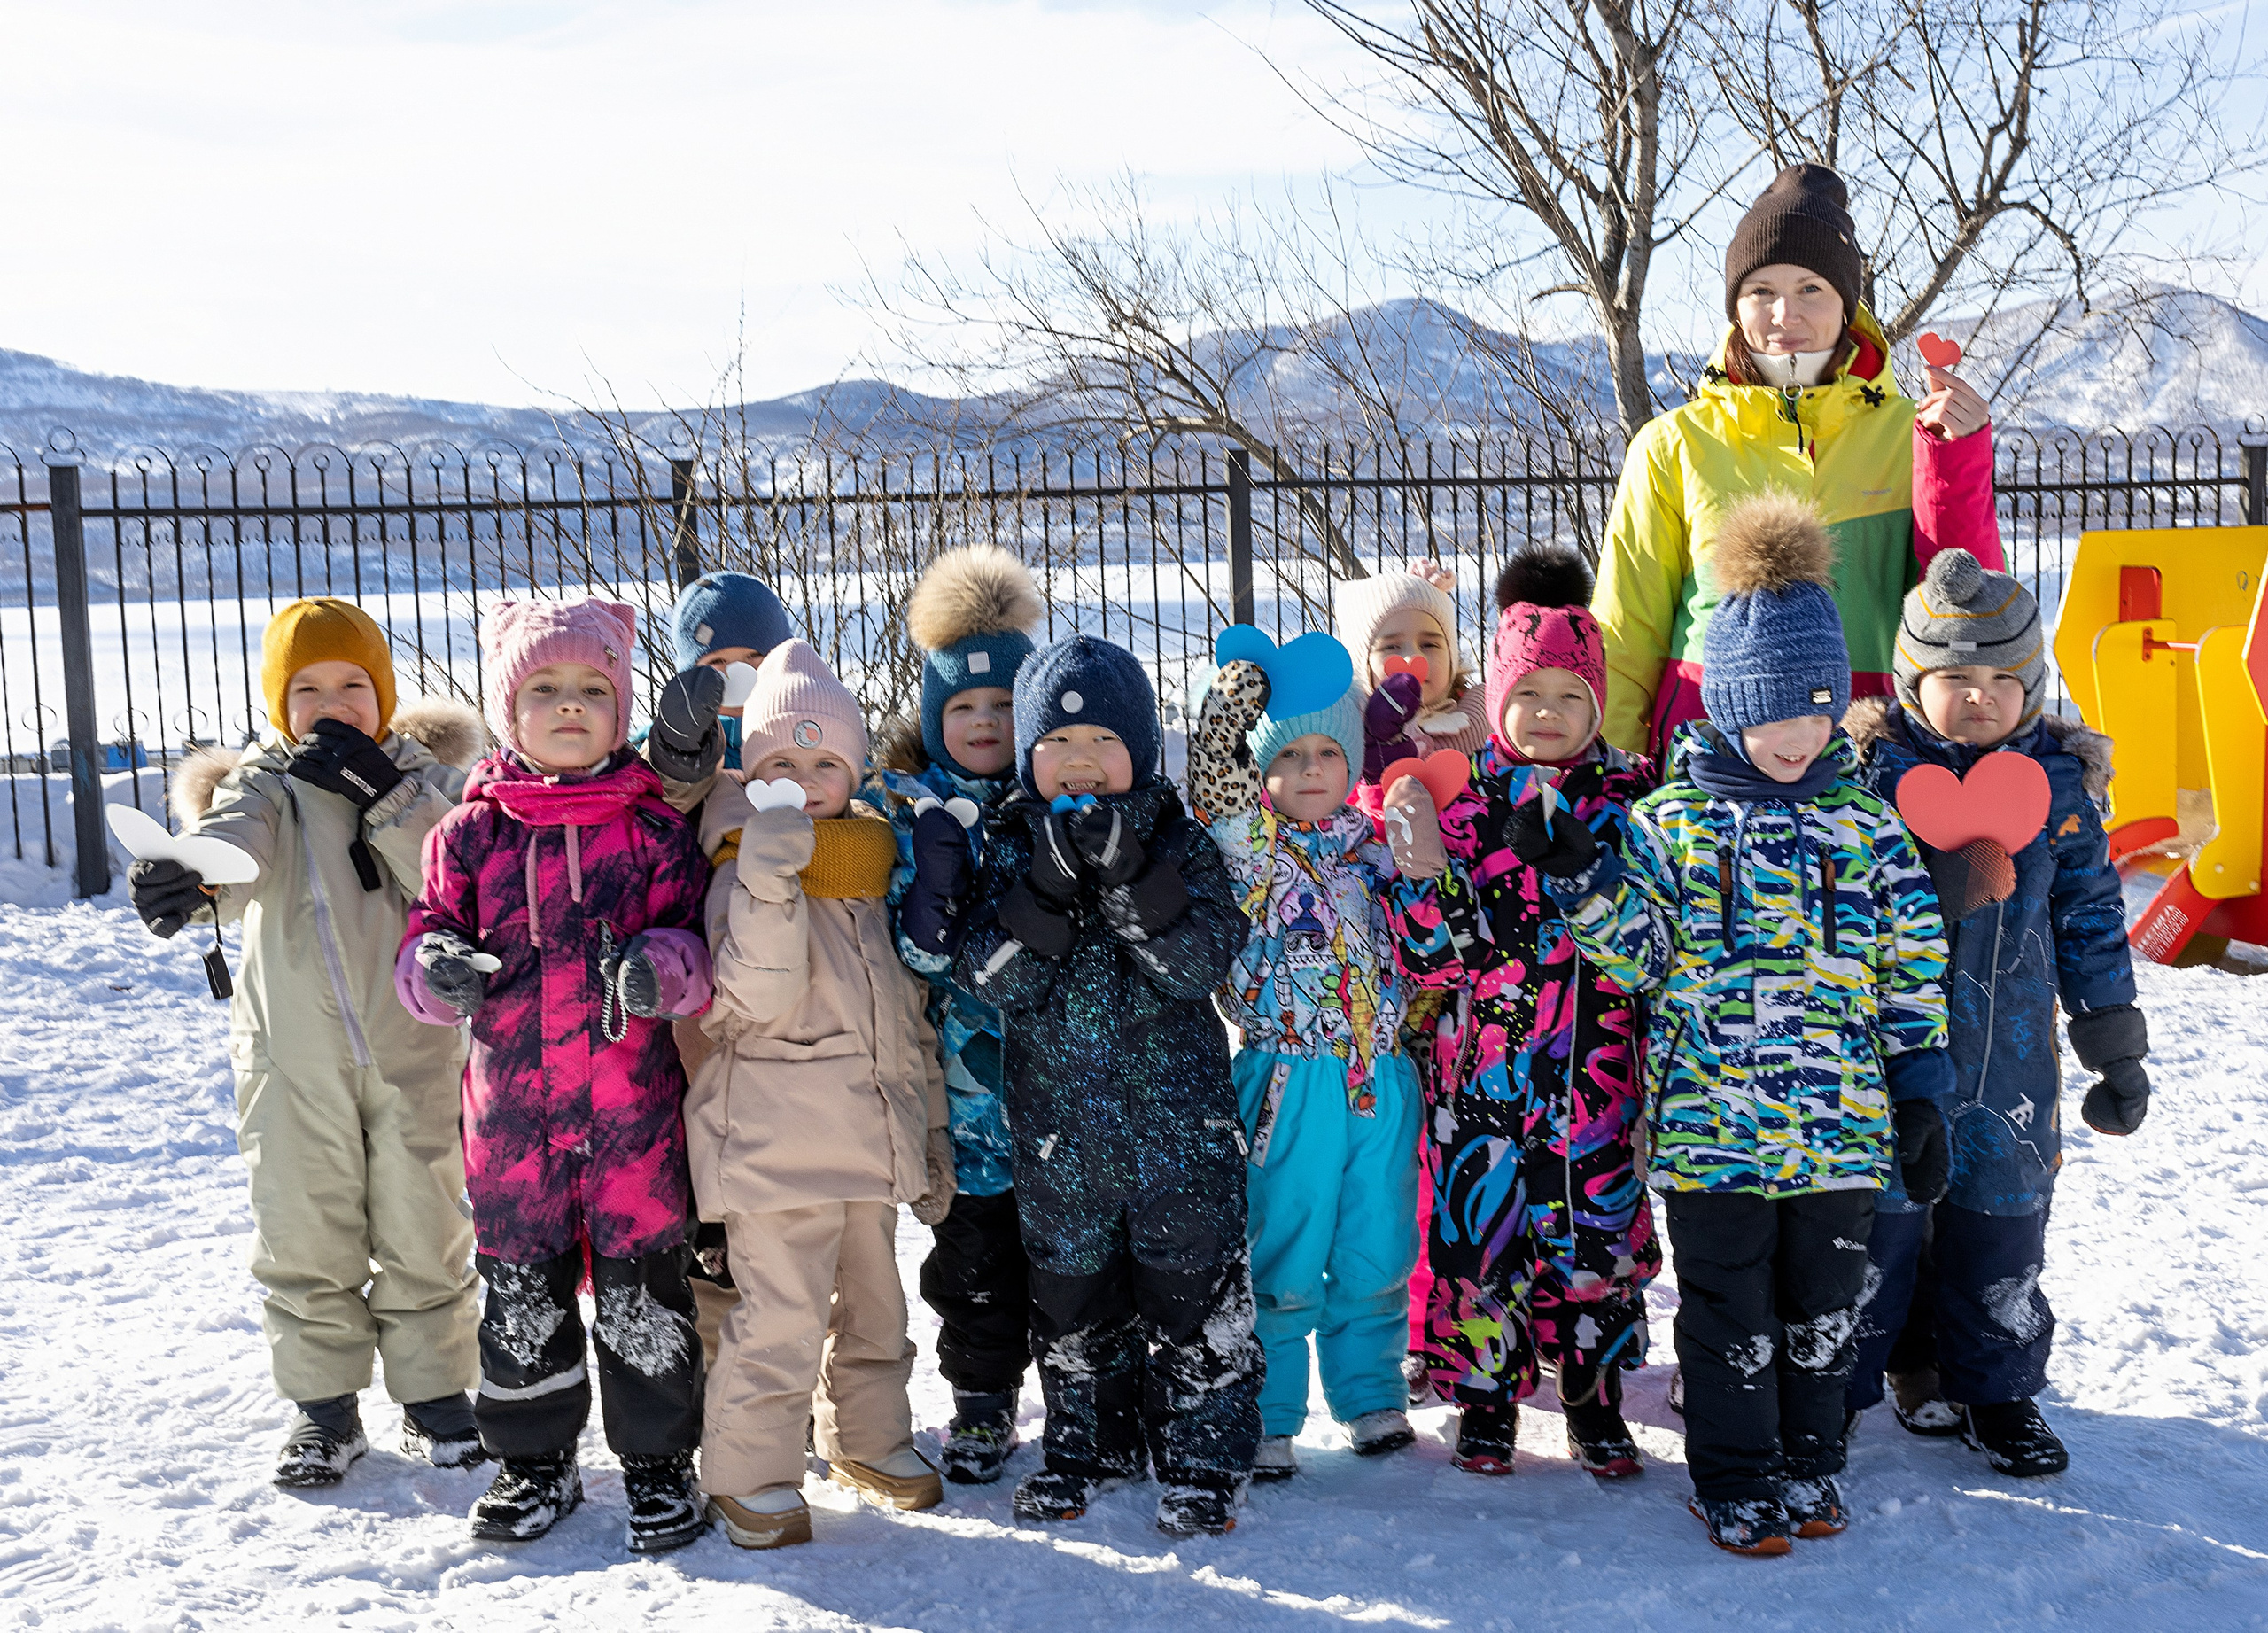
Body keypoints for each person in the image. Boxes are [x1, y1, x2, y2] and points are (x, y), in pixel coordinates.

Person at [1533, 494, 1953, 1556]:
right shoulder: (1668, 827)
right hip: (1712, 1132)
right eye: (1776, 712)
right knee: (1728, 1313)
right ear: (1727, 705)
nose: (1801, 734)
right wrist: (1585, 885)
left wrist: (1920, 1092)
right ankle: (1732, 1476)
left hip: (1840, 1131)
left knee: (1822, 1311)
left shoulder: (1866, 827)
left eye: (1818, 710)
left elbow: (1910, 969)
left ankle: (1809, 1463)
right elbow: (1636, 957)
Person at [127, 597, 486, 1488]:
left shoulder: (425, 779)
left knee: (425, 1221)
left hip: (415, 1048)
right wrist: (188, 876)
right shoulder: (263, 784)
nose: (332, 704)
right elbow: (232, 846)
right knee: (303, 1226)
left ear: (385, 691)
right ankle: (323, 1407)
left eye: (353, 684)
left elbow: (457, 872)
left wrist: (385, 794)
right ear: (279, 702)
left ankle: (437, 1395)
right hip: (290, 1057)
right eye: (308, 688)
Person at [398, 596, 715, 1553]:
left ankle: (659, 1461)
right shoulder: (467, 836)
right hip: (513, 1126)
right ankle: (533, 1460)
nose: (569, 704)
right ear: (507, 707)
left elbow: (696, 948)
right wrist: (437, 968)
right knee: (521, 1294)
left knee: (643, 1293)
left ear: (621, 711)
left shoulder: (653, 831)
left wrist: (661, 967)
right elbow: (425, 942)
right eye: (544, 687)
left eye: (591, 688)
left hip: (632, 1120)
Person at [937, 634, 1262, 1536]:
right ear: (1028, 757)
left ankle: (1204, 1459)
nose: (1080, 760)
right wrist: (1042, 891)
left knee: (1194, 1296)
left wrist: (1132, 879)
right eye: (1058, 744)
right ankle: (1088, 1447)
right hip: (1060, 1141)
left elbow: (1197, 964)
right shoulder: (1008, 849)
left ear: (1143, 750)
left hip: (1180, 1135)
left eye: (1103, 742)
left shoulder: (1179, 842)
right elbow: (991, 977)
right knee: (1074, 1302)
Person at [1842, 548, 2148, 1475]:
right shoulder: (1871, 780)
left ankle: (1998, 1390)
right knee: (1882, 1221)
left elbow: (2090, 916)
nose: (1979, 696)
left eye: (2002, 680)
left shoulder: (2057, 788)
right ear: (1911, 684)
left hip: (2012, 1058)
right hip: (1889, 1054)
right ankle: (1848, 1384)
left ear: (2031, 687)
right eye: (1955, 679)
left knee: (2001, 1223)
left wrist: (2112, 1042)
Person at [1379, 549, 1662, 1480]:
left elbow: (1650, 944)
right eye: (1528, 692)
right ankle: (1487, 1396)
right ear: (1496, 693)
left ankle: (1593, 1393)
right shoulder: (1461, 798)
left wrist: (1592, 878)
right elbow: (1429, 956)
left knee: (1593, 1230)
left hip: (1594, 1074)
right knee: (1481, 1236)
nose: (1548, 711)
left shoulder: (1630, 800)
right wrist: (1426, 875)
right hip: (1483, 1075)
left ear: (1598, 703)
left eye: (1571, 695)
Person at [686, 640, 956, 1549]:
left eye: (823, 765)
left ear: (854, 773)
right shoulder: (741, 864)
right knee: (782, 1319)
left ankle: (869, 1440)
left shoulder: (869, 869)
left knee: (877, 1309)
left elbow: (904, 1021)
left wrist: (928, 1134)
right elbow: (749, 997)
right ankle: (748, 1471)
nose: (803, 785)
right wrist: (767, 880)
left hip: (864, 1139)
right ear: (752, 773)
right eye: (781, 767)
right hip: (776, 1148)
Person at [1592, 162, 2000, 761]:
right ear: (1736, 308)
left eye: (1811, 288)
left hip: (1877, 754)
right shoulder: (1671, 445)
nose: (1785, 314)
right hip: (1707, 761)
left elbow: (1970, 608)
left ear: (1846, 304)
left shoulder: (1916, 436)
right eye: (1761, 291)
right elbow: (1626, 635)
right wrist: (1616, 774)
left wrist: (1955, 460)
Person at [1184, 642, 1421, 1481]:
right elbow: (1215, 784)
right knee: (1283, 1247)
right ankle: (1271, 1409)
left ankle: (1371, 1392)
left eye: (1327, 751)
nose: (1310, 768)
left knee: (1377, 1243)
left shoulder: (1375, 846)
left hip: (1380, 1076)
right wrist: (1228, 714)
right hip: (1289, 1078)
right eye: (1287, 755)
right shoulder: (1249, 846)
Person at [873, 543, 1043, 1484]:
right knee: (973, 1265)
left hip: (1061, 1095)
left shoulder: (1056, 797)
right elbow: (912, 952)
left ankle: (1091, 1392)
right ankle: (981, 1398)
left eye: (1004, 703)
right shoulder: (907, 811)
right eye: (962, 706)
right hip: (966, 1104)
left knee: (1074, 1263)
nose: (983, 720)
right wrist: (930, 888)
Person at [641, 569, 796, 809]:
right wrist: (679, 749)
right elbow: (653, 793)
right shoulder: (666, 743)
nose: (737, 674)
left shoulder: (816, 731)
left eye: (754, 657)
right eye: (717, 662)